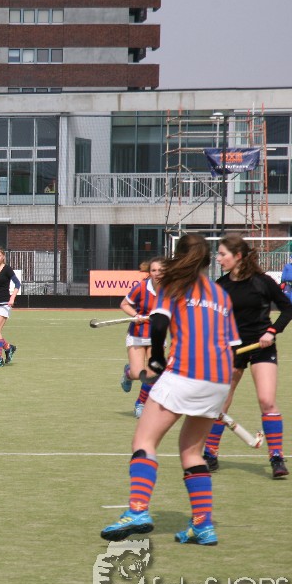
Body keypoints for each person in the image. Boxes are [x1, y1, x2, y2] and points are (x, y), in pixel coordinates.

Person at [100, 233, 239, 546]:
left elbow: (159, 322)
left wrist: (158, 359)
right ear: (207, 260)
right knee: (192, 451)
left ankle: (138, 510)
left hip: (184, 372)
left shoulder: (173, 285)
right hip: (219, 379)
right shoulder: (221, 294)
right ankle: (203, 526)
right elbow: (231, 346)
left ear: (178, 255)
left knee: (144, 440)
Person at [204, 233, 292, 478]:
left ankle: (276, 457)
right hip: (230, 348)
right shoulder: (220, 285)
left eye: (222, 254)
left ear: (238, 256)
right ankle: (210, 453)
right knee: (220, 402)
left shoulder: (262, 282)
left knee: (267, 400)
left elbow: (288, 309)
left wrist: (272, 331)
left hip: (261, 346)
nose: (218, 258)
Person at [119, 258, 164, 418]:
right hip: (137, 334)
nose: (157, 274)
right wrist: (136, 315)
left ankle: (140, 404)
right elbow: (124, 304)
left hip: (157, 335)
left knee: (153, 373)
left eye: (160, 270)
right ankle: (128, 373)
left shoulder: (170, 289)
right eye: (154, 270)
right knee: (138, 374)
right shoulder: (141, 287)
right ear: (149, 272)